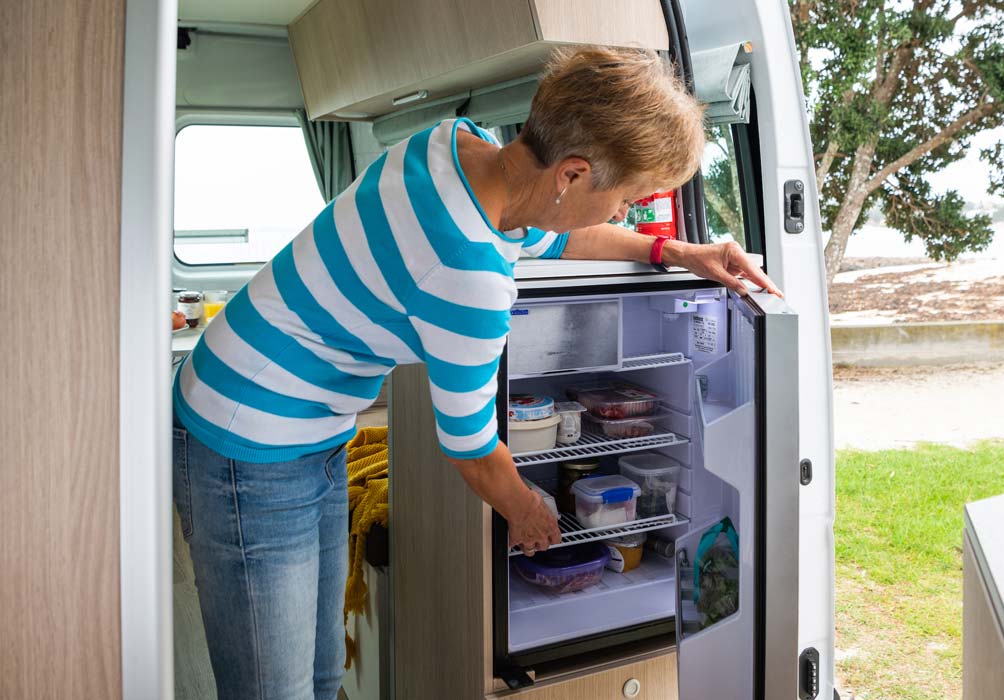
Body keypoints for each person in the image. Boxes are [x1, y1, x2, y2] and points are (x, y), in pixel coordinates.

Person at [171, 46, 780, 700]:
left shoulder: (459, 147)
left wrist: (679, 250)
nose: (622, 215)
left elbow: (555, 235)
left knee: (320, 678)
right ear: (572, 175)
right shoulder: (470, 273)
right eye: (625, 201)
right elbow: (469, 445)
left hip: (302, 424)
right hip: (247, 440)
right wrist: (530, 513)